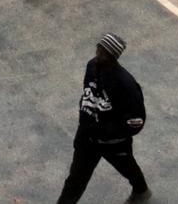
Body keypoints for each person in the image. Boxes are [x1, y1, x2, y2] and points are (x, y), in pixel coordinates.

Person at [56, 33, 151, 204]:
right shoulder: (92, 66)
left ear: (113, 56)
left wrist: (106, 133)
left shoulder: (126, 84)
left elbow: (136, 121)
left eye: (104, 52)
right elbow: (89, 93)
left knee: (127, 167)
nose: (98, 54)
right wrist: (85, 123)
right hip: (87, 137)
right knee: (75, 180)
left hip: (113, 142)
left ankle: (141, 191)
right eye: (98, 49)